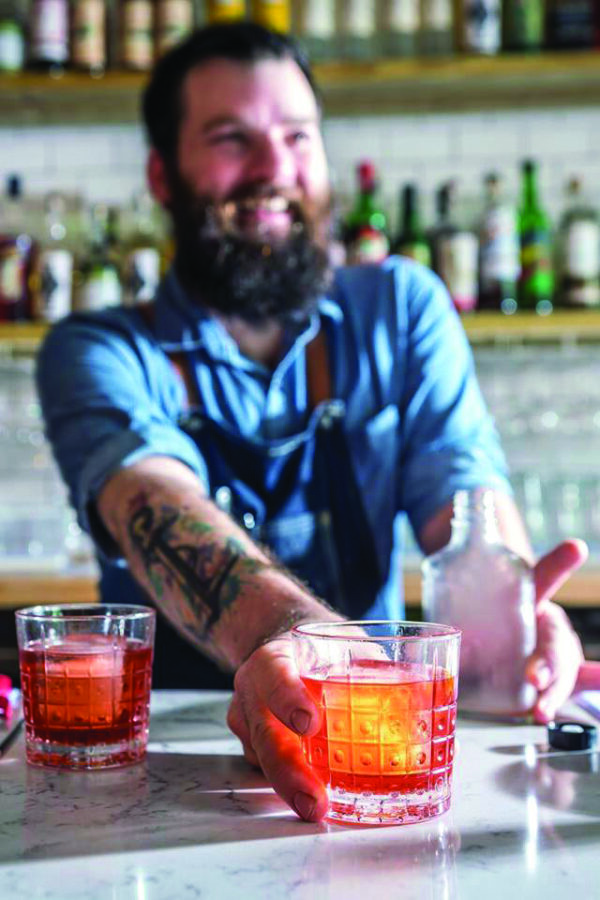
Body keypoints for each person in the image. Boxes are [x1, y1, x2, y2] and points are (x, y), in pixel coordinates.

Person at [36, 22, 586, 822]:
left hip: (369, 749)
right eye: (232, 139)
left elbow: (465, 505)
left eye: (298, 136)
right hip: (164, 777)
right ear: (162, 176)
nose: (273, 169)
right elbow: (150, 497)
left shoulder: (401, 308)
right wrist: (308, 642)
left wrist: (509, 611)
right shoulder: (98, 349)